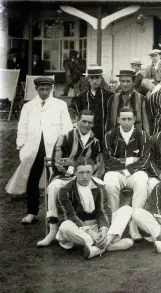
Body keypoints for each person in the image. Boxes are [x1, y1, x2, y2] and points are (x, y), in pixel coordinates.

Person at [6, 76, 73, 224]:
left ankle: (54, 212)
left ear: (51, 89)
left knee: (55, 180)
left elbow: (67, 127)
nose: (44, 92)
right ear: (36, 89)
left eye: (47, 89)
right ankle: (32, 212)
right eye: (41, 89)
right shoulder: (29, 106)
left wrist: (62, 147)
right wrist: (21, 145)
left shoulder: (59, 105)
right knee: (32, 179)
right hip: (33, 149)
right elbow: (22, 127)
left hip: (54, 148)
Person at [37, 110, 102, 247]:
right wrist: (72, 169)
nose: (87, 125)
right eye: (84, 121)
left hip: (85, 176)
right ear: (78, 121)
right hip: (64, 176)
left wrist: (73, 164)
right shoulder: (65, 137)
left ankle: (100, 227)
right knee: (54, 187)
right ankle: (53, 230)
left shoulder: (95, 142)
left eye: (90, 122)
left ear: (93, 124)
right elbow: (58, 161)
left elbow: (95, 163)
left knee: (102, 185)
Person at [55, 158, 134, 259]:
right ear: (75, 172)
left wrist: (103, 231)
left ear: (92, 172)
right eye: (81, 172)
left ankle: (98, 247)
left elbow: (103, 211)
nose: (85, 176)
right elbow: (70, 216)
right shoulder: (65, 191)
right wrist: (91, 233)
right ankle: (108, 245)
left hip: (96, 227)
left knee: (126, 209)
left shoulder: (99, 188)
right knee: (65, 226)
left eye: (88, 172)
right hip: (78, 230)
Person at [103, 107, 150, 239]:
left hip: (135, 172)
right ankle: (115, 223)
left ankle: (133, 225)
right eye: (123, 119)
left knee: (142, 182)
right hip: (115, 172)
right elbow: (108, 160)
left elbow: (145, 160)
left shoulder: (143, 135)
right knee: (109, 184)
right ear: (118, 120)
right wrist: (129, 160)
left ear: (134, 120)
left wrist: (128, 168)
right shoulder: (110, 135)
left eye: (129, 119)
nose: (127, 122)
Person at [71, 65, 114, 146]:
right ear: (88, 79)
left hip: (104, 134)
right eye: (92, 78)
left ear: (101, 79)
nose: (95, 81)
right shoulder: (81, 97)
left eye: (97, 78)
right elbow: (76, 114)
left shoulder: (109, 96)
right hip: (86, 135)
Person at [107, 69, 150, 133]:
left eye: (128, 81)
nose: (125, 84)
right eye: (122, 81)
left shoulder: (142, 99)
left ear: (133, 82)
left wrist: (146, 139)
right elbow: (109, 121)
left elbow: (146, 123)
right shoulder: (113, 99)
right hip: (117, 138)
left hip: (137, 137)